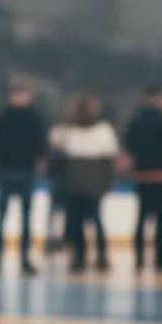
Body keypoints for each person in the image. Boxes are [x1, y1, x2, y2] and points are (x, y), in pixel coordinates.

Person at [0, 79, 48, 275]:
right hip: (11, 170)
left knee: (24, 218)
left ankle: (23, 258)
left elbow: (41, 145)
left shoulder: (26, 117)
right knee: (3, 216)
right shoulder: (11, 117)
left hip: (22, 170)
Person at [53, 95, 119, 273]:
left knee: (78, 221)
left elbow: (56, 147)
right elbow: (110, 158)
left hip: (75, 181)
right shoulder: (103, 130)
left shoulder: (67, 130)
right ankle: (100, 256)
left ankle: (79, 258)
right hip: (93, 181)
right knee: (94, 220)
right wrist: (106, 182)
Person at [124, 86, 162, 272]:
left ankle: (139, 258)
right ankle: (160, 258)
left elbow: (129, 145)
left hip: (142, 175)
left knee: (141, 218)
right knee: (161, 221)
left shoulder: (136, 121)